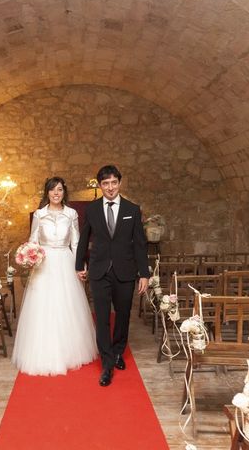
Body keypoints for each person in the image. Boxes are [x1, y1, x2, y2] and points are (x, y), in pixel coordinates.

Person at [11, 177, 97, 376]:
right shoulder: (39, 215)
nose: (56, 193)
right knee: (43, 307)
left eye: (59, 190)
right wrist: (30, 256)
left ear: (64, 192)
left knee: (66, 305)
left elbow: (76, 243)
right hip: (45, 263)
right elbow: (33, 241)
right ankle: (42, 352)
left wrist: (80, 265)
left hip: (66, 261)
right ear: (47, 193)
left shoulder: (71, 214)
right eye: (52, 190)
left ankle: (70, 351)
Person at [75, 165, 149, 386]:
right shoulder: (93, 209)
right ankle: (107, 363)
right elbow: (84, 238)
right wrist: (80, 264)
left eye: (113, 182)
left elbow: (140, 245)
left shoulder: (132, 210)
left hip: (125, 271)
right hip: (99, 271)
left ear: (119, 183)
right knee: (102, 317)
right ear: (100, 185)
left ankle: (118, 352)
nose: (110, 187)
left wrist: (144, 274)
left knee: (123, 315)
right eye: (105, 183)